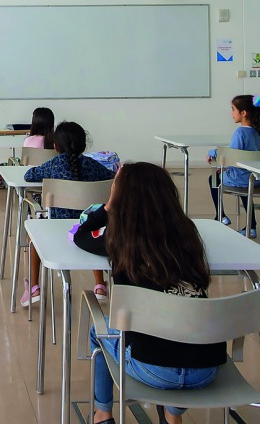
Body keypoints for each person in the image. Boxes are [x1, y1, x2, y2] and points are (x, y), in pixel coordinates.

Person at [74, 162, 224, 424]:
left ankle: (102, 414)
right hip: (206, 369)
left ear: (122, 197)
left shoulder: (120, 239)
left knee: (99, 330)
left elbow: (80, 234)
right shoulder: (188, 234)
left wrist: (108, 206)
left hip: (152, 368)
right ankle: (172, 415)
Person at [20, 121, 114, 307]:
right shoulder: (92, 165)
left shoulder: (54, 164)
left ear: (55, 146)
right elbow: (111, 177)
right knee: (95, 224)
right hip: (88, 231)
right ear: (83, 145)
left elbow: (29, 176)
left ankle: (35, 287)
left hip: (57, 231)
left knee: (33, 232)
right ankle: (100, 285)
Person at [207, 94, 260, 237]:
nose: (231, 113)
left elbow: (230, 154)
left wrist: (212, 153)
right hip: (257, 178)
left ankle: (221, 216)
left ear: (243, 113)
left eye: (233, 109)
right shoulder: (256, 133)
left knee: (213, 179)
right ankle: (252, 227)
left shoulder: (240, 132)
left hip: (242, 178)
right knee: (246, 186)